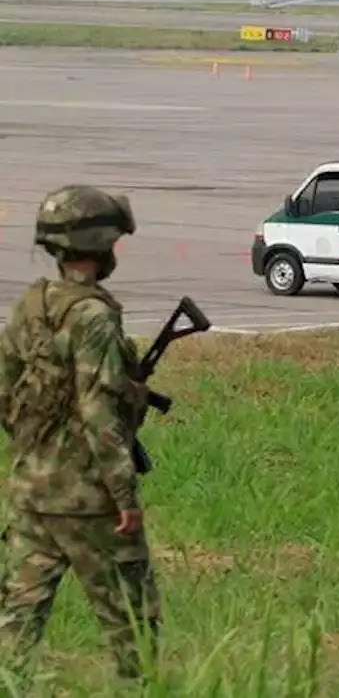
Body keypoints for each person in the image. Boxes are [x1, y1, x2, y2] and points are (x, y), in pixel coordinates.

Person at [0, 185, 160, 682]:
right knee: (133, 621)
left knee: (17, 620)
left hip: (31, 493)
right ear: (101, 243)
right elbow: (98, 412)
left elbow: (5, 392)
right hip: (89, 503)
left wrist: (35, 451)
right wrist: (124, 496)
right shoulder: (94, 316)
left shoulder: (33, 304)